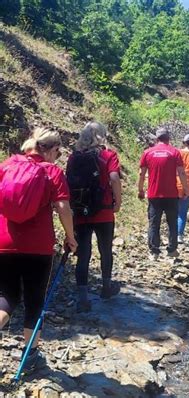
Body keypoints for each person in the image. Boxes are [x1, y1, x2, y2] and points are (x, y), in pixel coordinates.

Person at [0, 127, 77, 372]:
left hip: (4, 242)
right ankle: (31, 355)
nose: (58, 156)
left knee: (7, 296)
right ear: (50, 149)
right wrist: (71, 236)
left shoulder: (8, 165)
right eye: (58, 151)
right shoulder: (52, 171)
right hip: (38, 246)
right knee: (34, 300)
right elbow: (63, 207)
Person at [67, 122, 122, 313]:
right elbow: (114, 178)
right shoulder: (108, 155)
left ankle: (83, 299)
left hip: (81, 212)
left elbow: (68, 184)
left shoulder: (73, 157)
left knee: (83, 255)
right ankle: (106, 288)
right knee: (105, 249)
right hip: (104, 210)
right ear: (102, 136)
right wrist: (118, 201)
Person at [138, 128, 189, 259]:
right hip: (171, 194)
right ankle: (172, 250)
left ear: (156, 139)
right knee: (172, 222)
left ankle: (154, 251)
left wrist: (140, 190)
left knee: (154, 222)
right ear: (168, 138)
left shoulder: (148, 152)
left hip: (154, 194)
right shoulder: (174, 152)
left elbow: (142, 174)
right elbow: (182, 172)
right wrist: (185, 189)